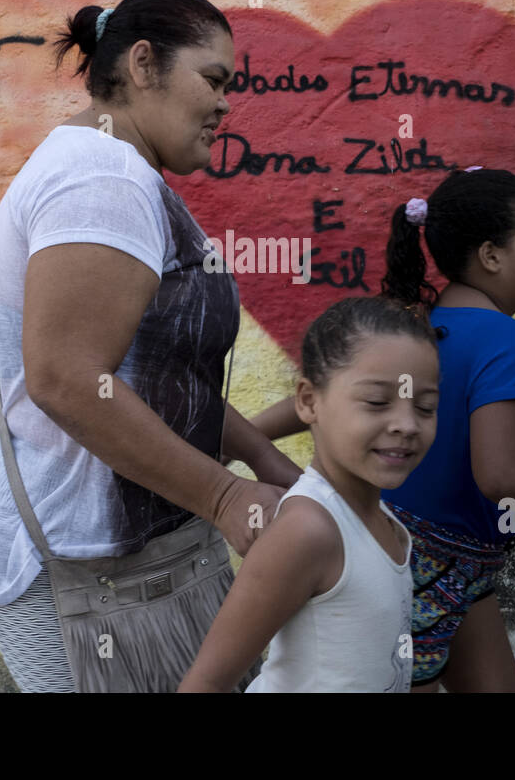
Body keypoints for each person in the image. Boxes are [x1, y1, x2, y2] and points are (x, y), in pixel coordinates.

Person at [0, 0, 303, 692]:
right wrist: (227, 499)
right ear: (143, 65)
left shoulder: (116, 170)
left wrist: (263, 458)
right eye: (214, 79)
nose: (226, 104)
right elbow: (67, 379)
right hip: (63, 555)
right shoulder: (102, 176)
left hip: (111, 553)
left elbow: (152, 377)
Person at [250, 169, 515, 692]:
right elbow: (501, 474)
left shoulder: (415, 326)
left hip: (429, 557)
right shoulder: (507, 341)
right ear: (491, 255)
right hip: (431, 569)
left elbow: (323, 394)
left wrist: (242, 436)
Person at [179, 296, 440, 692]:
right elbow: (205, 685)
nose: (406, 424)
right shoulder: (308, 530)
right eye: (376, 402)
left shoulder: (385, 521)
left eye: (425, 407)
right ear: (307, 401)